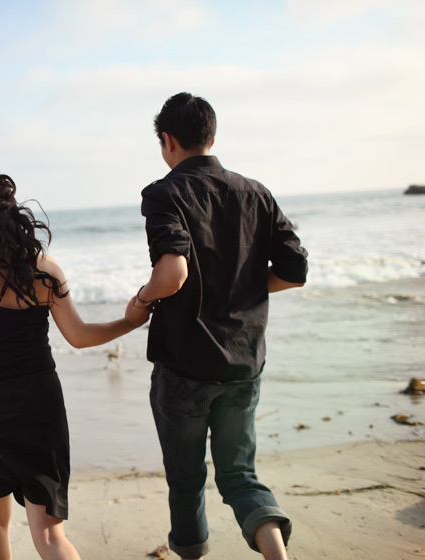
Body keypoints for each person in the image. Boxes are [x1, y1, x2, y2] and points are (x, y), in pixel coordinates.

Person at [128, 93, 308, 560]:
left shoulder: (164, 192)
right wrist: (246, 287)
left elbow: (172, 273)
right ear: (212, 137)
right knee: (240, 475)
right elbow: (294, 270)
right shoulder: (256, 192)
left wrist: (144, 299)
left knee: (186, 480)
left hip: (184, 365)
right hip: (244, 363)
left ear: (167, 140)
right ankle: (277, 556)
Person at [0, 174, 148, 560]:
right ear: (13, 210)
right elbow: (80, 335)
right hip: (40, 405)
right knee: (51, 538)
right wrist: (130, 322)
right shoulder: (46, 269)